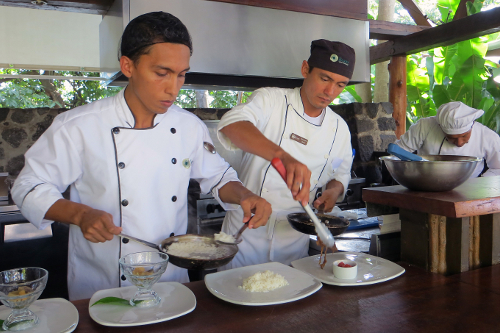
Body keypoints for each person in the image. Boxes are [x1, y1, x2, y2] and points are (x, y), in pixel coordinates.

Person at [11, 11, 271, 301]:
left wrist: (246, 195)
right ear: (128, 66)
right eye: (161, 73)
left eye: (181, 74)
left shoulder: (188, 126)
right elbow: (27, 187)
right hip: (102, 285)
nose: (174, 88)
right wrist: (80, 214)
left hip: (171, 281)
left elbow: (219, 176)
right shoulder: (78, 126)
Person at [216, 40, 355, 269]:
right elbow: (232, 124)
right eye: (324, 78)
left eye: (341, 84)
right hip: (245, 239)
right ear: (305, 70)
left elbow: (339, 175)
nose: (330, 92)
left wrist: (332, 192)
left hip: (293, 244)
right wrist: (281, 155)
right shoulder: (271, 100)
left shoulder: (338, 128)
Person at [395, 101, 500, 177]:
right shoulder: (424, 127)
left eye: (464, 136)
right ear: (441, 128)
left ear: (472, 126)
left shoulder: (487, 136)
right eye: (451, 138)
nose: (459, 143)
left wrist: (479, 184)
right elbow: (398, 152)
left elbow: (498, 168)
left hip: (470, 188)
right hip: (426, 185)